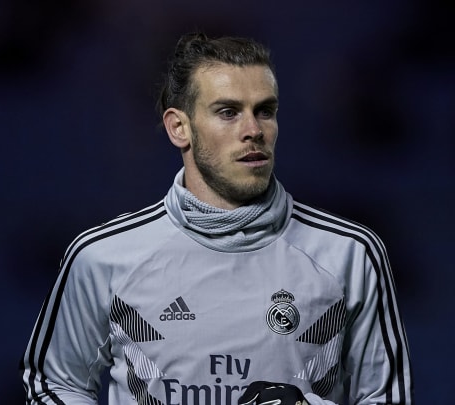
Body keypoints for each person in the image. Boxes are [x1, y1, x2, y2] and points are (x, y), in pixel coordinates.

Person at [20, 32, 413, 405]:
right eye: (228, 112)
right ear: (179, 127)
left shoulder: (349, 254)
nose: (254, 130)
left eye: (265, 111)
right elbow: (53, 383)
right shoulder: (102, 257)